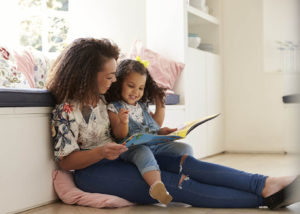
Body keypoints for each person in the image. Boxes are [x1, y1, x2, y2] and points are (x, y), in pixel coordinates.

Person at [47, 37, 300, 209]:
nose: (114, 81)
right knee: (176, 185)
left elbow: (130, 123)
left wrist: (157, 134)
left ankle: (265, 183)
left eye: (115, 75)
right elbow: (66, 160)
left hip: (126, 154)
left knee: (188, 164)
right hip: (96, 173)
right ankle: (264, 198)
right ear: (87, 76)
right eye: (109, 76)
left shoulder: (106, 101)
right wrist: (101, 151)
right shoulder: (65, 111)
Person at [105, 58, 191, 204]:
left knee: (185, 148)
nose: (136, 92)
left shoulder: (142, 105)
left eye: (140, 88)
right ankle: (157, 186)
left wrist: (162, 127)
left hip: (154, 144)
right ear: (119, 84)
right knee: (143, 153)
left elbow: (155, 125)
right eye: (131, 86)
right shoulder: (114, 107)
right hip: (131, 148)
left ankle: (185, 177)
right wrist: (123, 122)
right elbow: (119, 135)